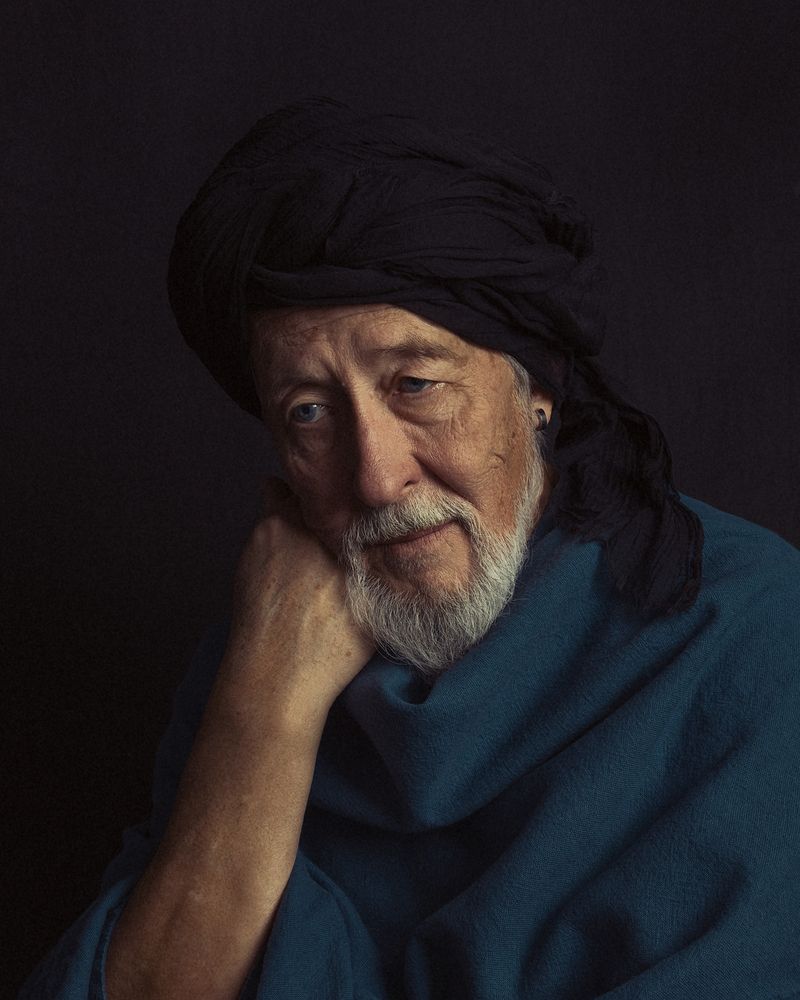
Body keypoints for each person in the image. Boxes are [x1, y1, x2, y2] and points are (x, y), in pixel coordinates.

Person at [21, 98, 800, 1000]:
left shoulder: (752, 645)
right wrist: (266, 710)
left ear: (537, 388)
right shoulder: (262, 658)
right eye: (309, 412)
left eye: (417, 385)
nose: (376, 476)